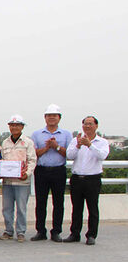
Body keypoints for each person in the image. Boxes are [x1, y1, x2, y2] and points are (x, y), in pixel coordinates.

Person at [64, 116, 109, 246]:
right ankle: (74, 234)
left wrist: (90, 145)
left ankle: (91, 235)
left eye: (90, 124)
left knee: (92, 208)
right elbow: (69, 155)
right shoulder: (75, 140)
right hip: (77, 178)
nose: (87, 126)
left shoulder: (102, 142)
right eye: (85, 124)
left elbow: (102, 156)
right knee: (76, 208)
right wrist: (78, 145)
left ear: (96, 126)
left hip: (92, 179)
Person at [30, 104, 72, 242]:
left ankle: (56, 231)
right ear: (45, 118)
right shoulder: (37, 134)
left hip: (58, 170)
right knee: (40, 202)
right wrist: (47, 147)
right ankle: (40, 231)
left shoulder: (66, 134)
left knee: (58, 202)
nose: (52, 118)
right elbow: (33, 153)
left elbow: (70, 154)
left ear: (59, 118)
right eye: (49, 116)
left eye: (54, 116)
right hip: (41, 170)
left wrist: (57, 147)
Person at [0, 115, 37, 242]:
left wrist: (27, 173)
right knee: (7, 208)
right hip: (8, 181)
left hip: (22, 181)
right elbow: (2, 160)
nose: (14, 127)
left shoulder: (27, 142)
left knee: (21, 208)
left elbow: (32, 160)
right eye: (12, 125)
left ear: (22, 127)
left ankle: (20, 232)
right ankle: (8, 231)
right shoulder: (5, 142)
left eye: (17, 125)